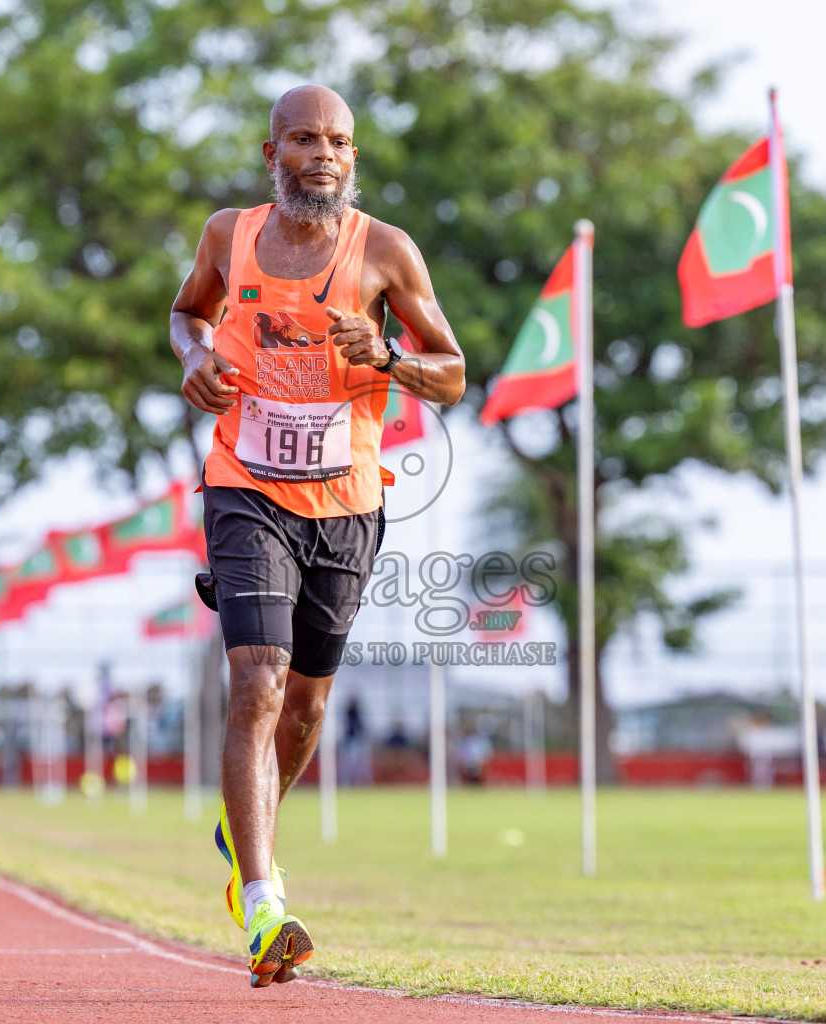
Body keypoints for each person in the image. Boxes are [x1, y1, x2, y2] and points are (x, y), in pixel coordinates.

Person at [170, 84, 465, 987]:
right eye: (304, 140)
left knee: (303, 709)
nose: (323, 155)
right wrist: (196, 359)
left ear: (354, 156)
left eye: (338, 141)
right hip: (244, 487)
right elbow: (188, 313)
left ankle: (244, 825)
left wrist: (388, 359)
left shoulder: (384, 250)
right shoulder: (230, 235)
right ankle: (263, 904)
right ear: (273, 156)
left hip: (345, 502)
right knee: (255, 683)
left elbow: (451, 374)